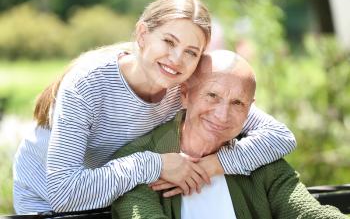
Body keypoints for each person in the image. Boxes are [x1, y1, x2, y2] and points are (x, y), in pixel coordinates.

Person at [13, 0, 296, 214]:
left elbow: (279, 137)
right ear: (142, 34)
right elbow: (66, 193)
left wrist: (212, 166)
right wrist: (155, 164)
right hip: (48, 203)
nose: (176, 60)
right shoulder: (88, 83)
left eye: (191, 52)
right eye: (169, 42)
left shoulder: (185, 87)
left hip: (117, 194)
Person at [112, 50, 347, 219]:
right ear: (185, 94)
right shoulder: (137, 163)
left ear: (249, 108)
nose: (223, 115)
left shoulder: (262, 161)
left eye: (237, 103)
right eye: (212, 96)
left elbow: (308, 213)